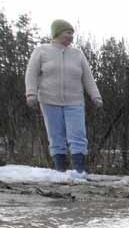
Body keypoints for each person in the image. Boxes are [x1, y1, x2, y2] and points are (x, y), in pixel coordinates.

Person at [25, 19, 103, 176]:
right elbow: (31, 73)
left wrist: (95, 96)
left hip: (74, 101)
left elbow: (88, 77)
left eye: (72, 34)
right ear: (57, 33)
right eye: (68, 32)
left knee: (78, 135)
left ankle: (79, 171)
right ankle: (60, 172)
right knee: (56, 136)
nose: (71, 36)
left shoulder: (77, 54)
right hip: (49, 100)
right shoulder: (41, 51)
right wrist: (31, 93)